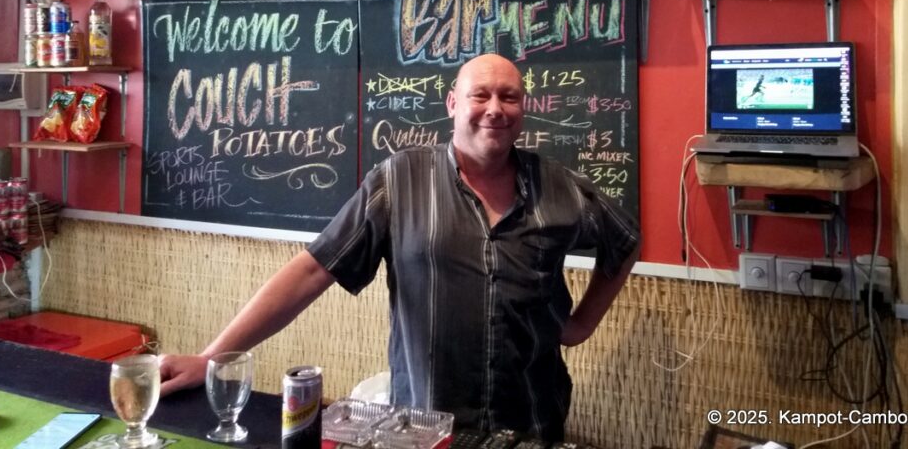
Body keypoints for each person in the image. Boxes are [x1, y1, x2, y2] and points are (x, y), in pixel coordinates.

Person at [159, 54, 640, 442]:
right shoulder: (399, 181)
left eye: (508, 97)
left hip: (533, 422)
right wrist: (213, 358)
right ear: (453, 103)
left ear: (522, 109)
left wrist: (581, 324)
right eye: (480, 94)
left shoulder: (560, 187)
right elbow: (311, 271)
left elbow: (625, 239)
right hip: (428, 429)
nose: (495, 107)